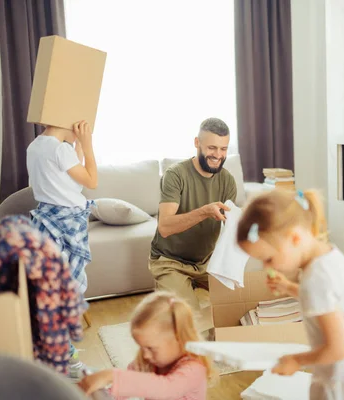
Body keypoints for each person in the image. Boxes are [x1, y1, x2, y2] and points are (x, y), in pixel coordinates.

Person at [236, 190, 344, 400]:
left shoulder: (314, 279)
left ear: (293, 238)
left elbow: (339, 348)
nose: (266, 267)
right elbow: (327, 300)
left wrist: (296, 360)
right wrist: (287, 287)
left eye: (268, 259)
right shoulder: (329, 255)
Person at [149, 117, 237, 336]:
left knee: (240, 306)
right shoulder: (175, 175)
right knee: (190, 325)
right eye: (212, 148)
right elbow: (165, 227)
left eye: (224, 149)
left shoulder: (227, 181)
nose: (218, 155)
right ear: (197, 143)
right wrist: (205, 211)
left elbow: (231, 229)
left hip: (207, 262)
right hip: (170, 262)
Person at [26, 120, 98, 377]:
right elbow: (91, 181)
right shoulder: (59, 149)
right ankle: (66, 360)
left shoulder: (36, 146)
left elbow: (70, 183)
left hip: (47, 223)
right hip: (66, 226)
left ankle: (58, 355)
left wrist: (77, 145)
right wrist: (88, 146)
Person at [77, 291, 213, 400]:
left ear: (178, 339)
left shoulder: (194, 369)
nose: (146, 354)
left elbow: (166, 388)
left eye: (151, 348)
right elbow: (123, 389)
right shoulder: (147, 361)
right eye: (141, 347)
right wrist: (104, 394)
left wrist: (111, 375)